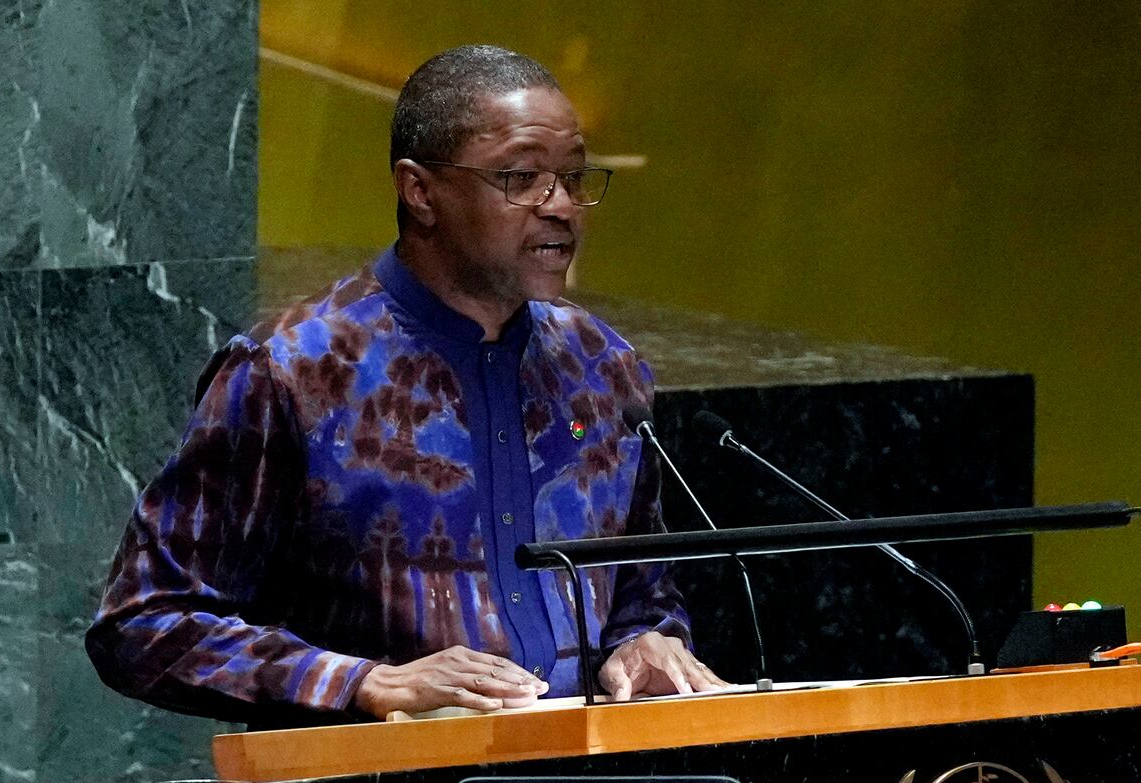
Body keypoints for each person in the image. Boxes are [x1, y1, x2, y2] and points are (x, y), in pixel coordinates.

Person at [86, 44, 725, 727]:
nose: (560, 206)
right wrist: (363, 681)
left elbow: (640, 592)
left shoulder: (602, 368)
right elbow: (143, 621)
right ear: (420, 191)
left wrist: (645, 642)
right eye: (522, 177)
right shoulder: (296, 369)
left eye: (573, 178)